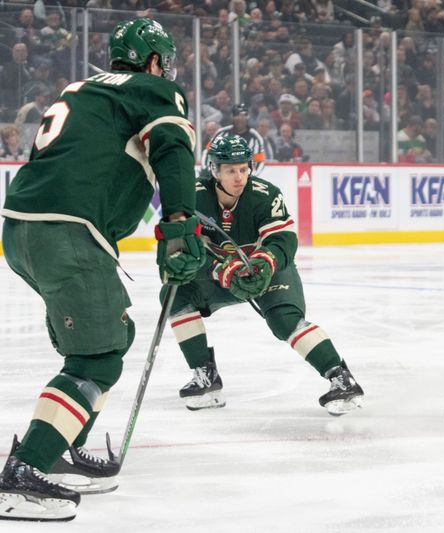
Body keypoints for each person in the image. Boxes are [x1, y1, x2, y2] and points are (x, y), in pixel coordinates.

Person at [0, 18, 205, 522]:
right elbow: (173, 152)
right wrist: (179, 224)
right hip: (69, 232)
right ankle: (22, 474)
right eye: (165, 61)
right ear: (154, 61)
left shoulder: (81, 89)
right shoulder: (154, 90)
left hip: (21, 227)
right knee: (97, 360)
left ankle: (64, 446)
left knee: (115, 334)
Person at [165, 135, 363, 415]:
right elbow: (182, 250)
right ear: (214, 169)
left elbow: (283, 240)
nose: (239, 177)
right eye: (230, 170)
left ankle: (340, 377)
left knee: (285, 321)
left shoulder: (265, 194)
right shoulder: (193, 197)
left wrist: (265, 263)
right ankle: (205, 375)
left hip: (266, 272)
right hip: (219, 276)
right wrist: (218, 269)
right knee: (174, 293)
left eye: (244, 169)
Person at [203, 102, 271, 175]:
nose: (239, 118)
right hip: (222, 177)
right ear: (232, 117)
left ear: (247, 117)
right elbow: (208, 152)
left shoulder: (256, 138)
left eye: (243, 115)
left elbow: (259, 160)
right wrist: (208, 170)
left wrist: (251, 176)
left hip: (245, 178)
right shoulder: (221, 134)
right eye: (236, 115)